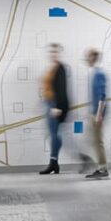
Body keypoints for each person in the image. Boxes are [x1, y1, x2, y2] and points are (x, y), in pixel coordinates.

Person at [39, 44, 69, 175]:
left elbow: (61, 88)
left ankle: (53, 163)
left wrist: (57, 107)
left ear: (59, 53)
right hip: (49, 103)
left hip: (54, 104)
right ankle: (54, 163)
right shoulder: (52, 68)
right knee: (54, 135)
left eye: (55, 52)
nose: (53, 54)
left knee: (54, 135)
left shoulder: (60, 68)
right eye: (51, 51)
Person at [83, 49, 108, 179]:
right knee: (96, 141)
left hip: (98, 113)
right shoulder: (94, 73)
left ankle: (103, 168)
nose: (86, 59)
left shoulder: (99, 74)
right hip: (95, 112)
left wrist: (98, 114)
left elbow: (102, 96)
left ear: (94, 58)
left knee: (98, 141)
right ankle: (101, 167)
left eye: (88, 56)